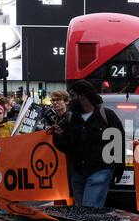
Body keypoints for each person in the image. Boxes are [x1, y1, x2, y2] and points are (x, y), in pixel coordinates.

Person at [50, 80, 125, 208]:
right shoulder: (71, 119)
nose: (70, 100)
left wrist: (119, 169)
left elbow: (119, 143)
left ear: (82, 97)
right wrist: (58, 137)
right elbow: (67, 147)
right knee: (80, 213)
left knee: (88, 211)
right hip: (78, 174)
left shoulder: (107, 116)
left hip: (100, 171)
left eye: (73, 96)